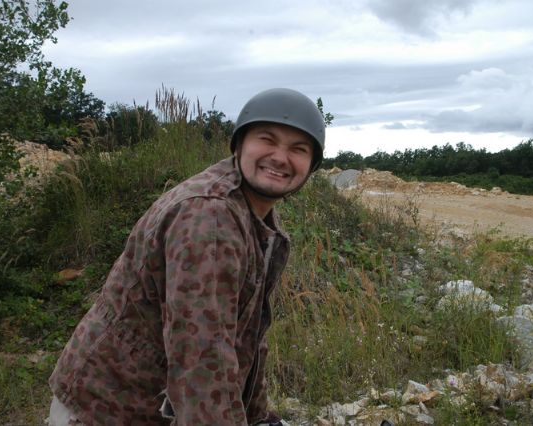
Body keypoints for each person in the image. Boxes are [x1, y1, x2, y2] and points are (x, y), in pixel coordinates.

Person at [47, 88, 325, 425]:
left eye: (298, 149)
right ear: (239, 144)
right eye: (267, 139)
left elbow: (247, 336)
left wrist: (258, 416)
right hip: (107, 409)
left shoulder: (255, 216)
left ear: (311, 166)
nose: (280, 157)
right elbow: (202, 355)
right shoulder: (209, 217)